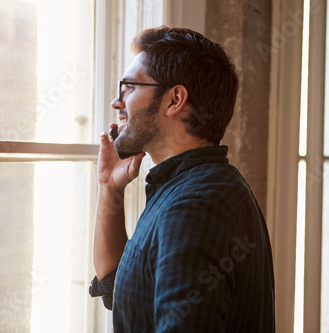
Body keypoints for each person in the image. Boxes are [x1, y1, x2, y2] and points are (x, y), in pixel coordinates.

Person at [89, 26, 275, 332]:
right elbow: (117, 285)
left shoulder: (194, 209)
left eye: (129, 87)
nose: (116, 101)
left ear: (175, 99)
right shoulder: (195, 186)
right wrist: (110, 188)